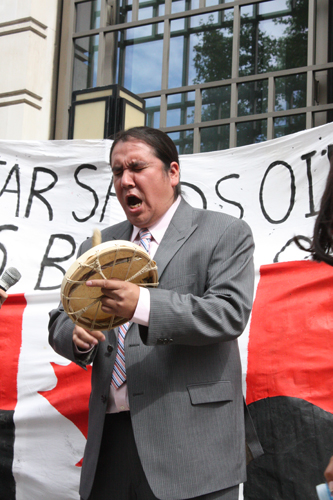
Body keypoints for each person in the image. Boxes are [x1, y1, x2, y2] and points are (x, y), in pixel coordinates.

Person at [49, 126, 262, 500]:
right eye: (117, 172)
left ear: (173, 172)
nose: (125, 180)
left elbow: (228, 313)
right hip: (110, 445)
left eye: (136, 167)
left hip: (192, 448)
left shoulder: (224, 232)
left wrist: (142, 306)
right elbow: (61, 317)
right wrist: (76, 335)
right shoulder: (97, 244)